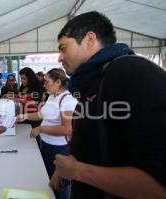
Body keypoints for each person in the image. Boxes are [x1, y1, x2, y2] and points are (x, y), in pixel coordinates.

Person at [50, 11, 166, 199]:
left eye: (63, 48)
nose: (59, 58)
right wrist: (71, 162)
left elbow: (158, 185)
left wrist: (77, 170)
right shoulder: (94, 80)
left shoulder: (132, 73)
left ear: (89, 39)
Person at [20, 68, 77, 199]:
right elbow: (41, 114)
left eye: (47, 82)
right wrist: (24, 116)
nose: (44, 85)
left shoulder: (68, 100)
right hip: (45, 145)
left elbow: (67, 129)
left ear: (58, 82)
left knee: (60, 186)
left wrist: (40, 129)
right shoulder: (52, 96)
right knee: (49, 181)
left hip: (59, 149)